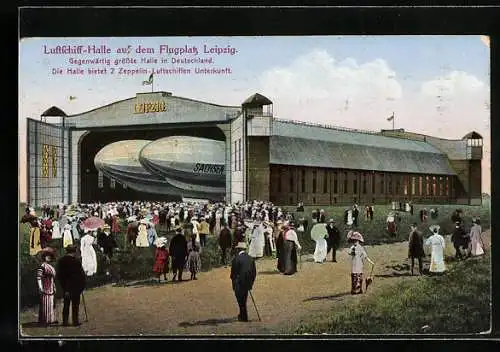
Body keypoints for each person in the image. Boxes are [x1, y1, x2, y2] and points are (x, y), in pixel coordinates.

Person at [56, 245, 86, 326]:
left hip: (65, 286)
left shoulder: (61, 261)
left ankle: (65, 321)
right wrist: (82, 285)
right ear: (74, 251)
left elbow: (59, 275)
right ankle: (75, 321)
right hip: (75, 286)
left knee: (66, 304)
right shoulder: (76, 261)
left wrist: (62, 286)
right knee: (75, 305)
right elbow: (81, 275)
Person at [230, 242, 257, 322]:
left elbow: (233, 272)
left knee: (240, 301)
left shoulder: (236, 258)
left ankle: (243, 316)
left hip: (238, 282)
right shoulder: (250, 258)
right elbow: (254, 273)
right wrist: (250, 283)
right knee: (244, 299)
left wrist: (233, 281)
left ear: (238, 249)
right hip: (247, 282)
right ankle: (243, 315)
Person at [36, 247, 58, 326]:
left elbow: (52, 278)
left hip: (51, 286)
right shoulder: (42, 266)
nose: (48, 257)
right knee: (46, 303)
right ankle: (46, 320)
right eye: (47, 256)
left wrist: (54, 286)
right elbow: (39, 277)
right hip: (45, 287)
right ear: (44, 257)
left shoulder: (50, 266)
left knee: (51, 303)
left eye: (50, 256)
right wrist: (40, 287)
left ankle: (51, 319)